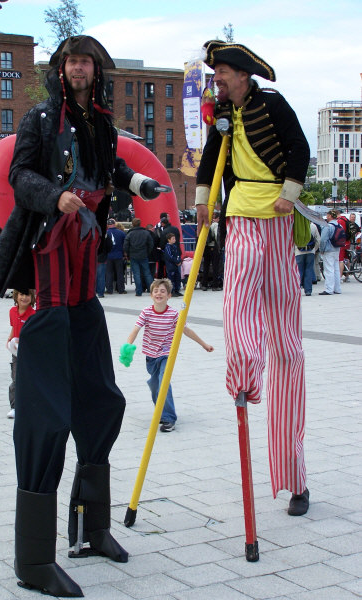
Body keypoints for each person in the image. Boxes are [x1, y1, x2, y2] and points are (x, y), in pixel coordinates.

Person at [0, 35, 164, 598]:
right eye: (72, 61)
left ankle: (89, 531)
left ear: (94, 70)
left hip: (86, 264)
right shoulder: (38, 118)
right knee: (47, 413)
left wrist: (142, 184)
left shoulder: (103, 123)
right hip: (48, 256)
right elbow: (20, 177)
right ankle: (33, 561)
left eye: (87, 61)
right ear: (62, 69)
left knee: (101, 396)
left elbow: (110, 172)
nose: (79, 68)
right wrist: (55, 197)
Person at [195, 40, 310, 516]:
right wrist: (203, 199)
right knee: (237, 301)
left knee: (286, 343)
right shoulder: (221, 113)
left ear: (243, 74)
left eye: (222, 71)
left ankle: (294, 477)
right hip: (241, 216)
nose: (217, 77)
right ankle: (244, 370)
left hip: (280, 219)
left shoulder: (273, 105)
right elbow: (209, 163)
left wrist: (290, 193)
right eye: (215, 71)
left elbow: (300, 149)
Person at [125, 278, 213, 432]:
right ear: (151, 295)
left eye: (163, 291)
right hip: (150, 356)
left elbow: (186, 330)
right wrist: (128, 346)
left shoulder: (174, 314)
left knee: (163, 383)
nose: (159, 293)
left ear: (169, 296)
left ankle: (169, 418)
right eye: (156, 291)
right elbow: (135, 329)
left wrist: (204, 344)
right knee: (154, 386)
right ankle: (161, 410)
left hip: (167, 354)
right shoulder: (146, 312)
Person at [6, 289, 36, 419]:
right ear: (16, 296)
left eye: (27, 295)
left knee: (31, 379)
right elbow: (14, 327)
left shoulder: (34, 315)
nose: (24, 298)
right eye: (21, 295)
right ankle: (15, 407)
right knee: (16, 379)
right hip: (16, 352)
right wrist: (9, 339)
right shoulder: (12, 311)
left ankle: (32, 405)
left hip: (30, 352)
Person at [123, 217, 154, 296]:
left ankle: (138, 291)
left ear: (133, 224)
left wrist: (128, 253)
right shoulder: (146, 233)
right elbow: (151, 244)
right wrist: (147, 252)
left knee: (136, 274)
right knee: (147, 273)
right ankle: (152, 290)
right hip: (144, 254)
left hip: (133, 255)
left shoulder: (130, 233)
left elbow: (125, 245)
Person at [319, 210, 342, 295]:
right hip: (337, 249)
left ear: (330, 216)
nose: (326, 217)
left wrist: (322, 250)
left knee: (329, 270)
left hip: (328, 250)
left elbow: (323, 240)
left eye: (327, 215)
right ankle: (337, 288)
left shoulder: (328, 226)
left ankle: (329, 289)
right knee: (336, 269)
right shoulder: (339, 225)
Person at [295, 222, 320, 296]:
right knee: (309, 269)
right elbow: (318, 239)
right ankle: (308, 290)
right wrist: (314, 249)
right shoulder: (313, 226)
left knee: (299, 271)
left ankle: (297, 289)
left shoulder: (297, 225)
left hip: (299, 251)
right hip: (310, 251)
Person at [105, 218, 126, 294]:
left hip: (109, 255)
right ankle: (121, 289)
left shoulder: (106, 233)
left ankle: (109, 289)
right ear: (114, 224)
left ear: (108, 225)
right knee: (120, 273)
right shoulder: (121, 233)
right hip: (119, 255)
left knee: (109, 273)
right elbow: (125, 244)